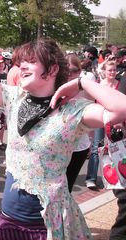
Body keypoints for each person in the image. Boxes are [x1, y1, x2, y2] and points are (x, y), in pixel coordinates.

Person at [0, 7, 126, 239]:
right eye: (21, 62)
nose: (22, 67)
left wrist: (81, 84)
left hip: (48, 226)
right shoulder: (13, 98)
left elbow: (122, 109)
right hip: (9, 222)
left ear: (53, 69)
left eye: (31, 62)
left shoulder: (73, 111)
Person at [85, 60, 123, 189]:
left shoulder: (120, 84)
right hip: (101, 120)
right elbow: (93, 104)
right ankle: (91, 178)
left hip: (117, 122)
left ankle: (116, 176)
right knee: (96, 148)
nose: (112, 72)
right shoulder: (99, 86)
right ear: (105, 72)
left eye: (114, 70)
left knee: (117, 148)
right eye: (110, 70)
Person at [65, 54, 92, 192]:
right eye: (66, 70)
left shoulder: (87, 92)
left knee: (68, 186)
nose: (70, 74)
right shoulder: (55, 89)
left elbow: (93, 119)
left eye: (74, 70)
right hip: (58, 146)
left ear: (80, 71)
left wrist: (92, 139)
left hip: (79, 146)